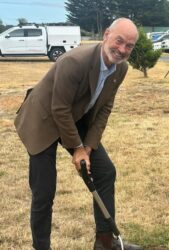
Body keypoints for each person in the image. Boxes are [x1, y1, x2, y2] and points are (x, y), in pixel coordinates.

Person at [14, 18, 142, 250]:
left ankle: (105, 242)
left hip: (75, 115)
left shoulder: (120, 69)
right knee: (44, 190)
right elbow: (58, 109)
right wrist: (77, 148)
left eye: (129, 46)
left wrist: (89, 147)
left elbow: (104, 108)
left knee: (105, 172)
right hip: (43, 118)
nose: (122, 50)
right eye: (119, 41)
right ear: (106, 35)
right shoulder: (75, 61)